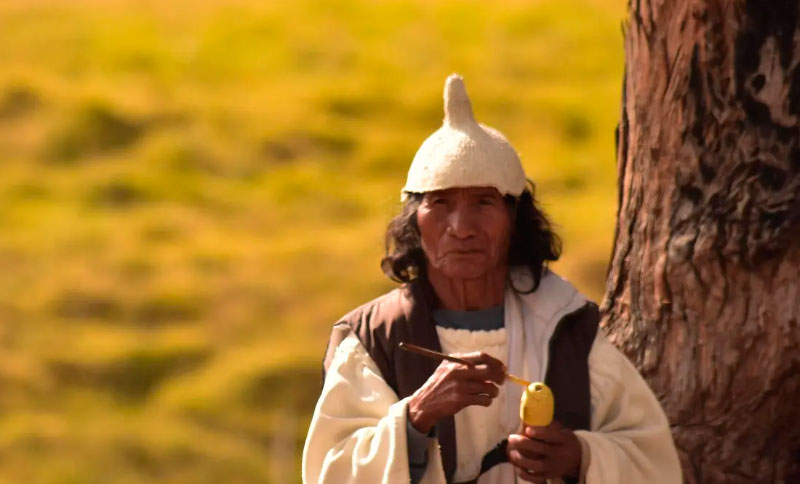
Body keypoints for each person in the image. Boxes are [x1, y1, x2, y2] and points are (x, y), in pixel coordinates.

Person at [302, 74, 682, 484]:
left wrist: (581, 458)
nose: (462, 227)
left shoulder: (569, 330)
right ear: (415, 222)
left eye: (484, 202)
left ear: (515, 220)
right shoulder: (373, 339)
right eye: (440, 204)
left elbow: (653, 463)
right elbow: (331, 471)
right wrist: (415, 418)